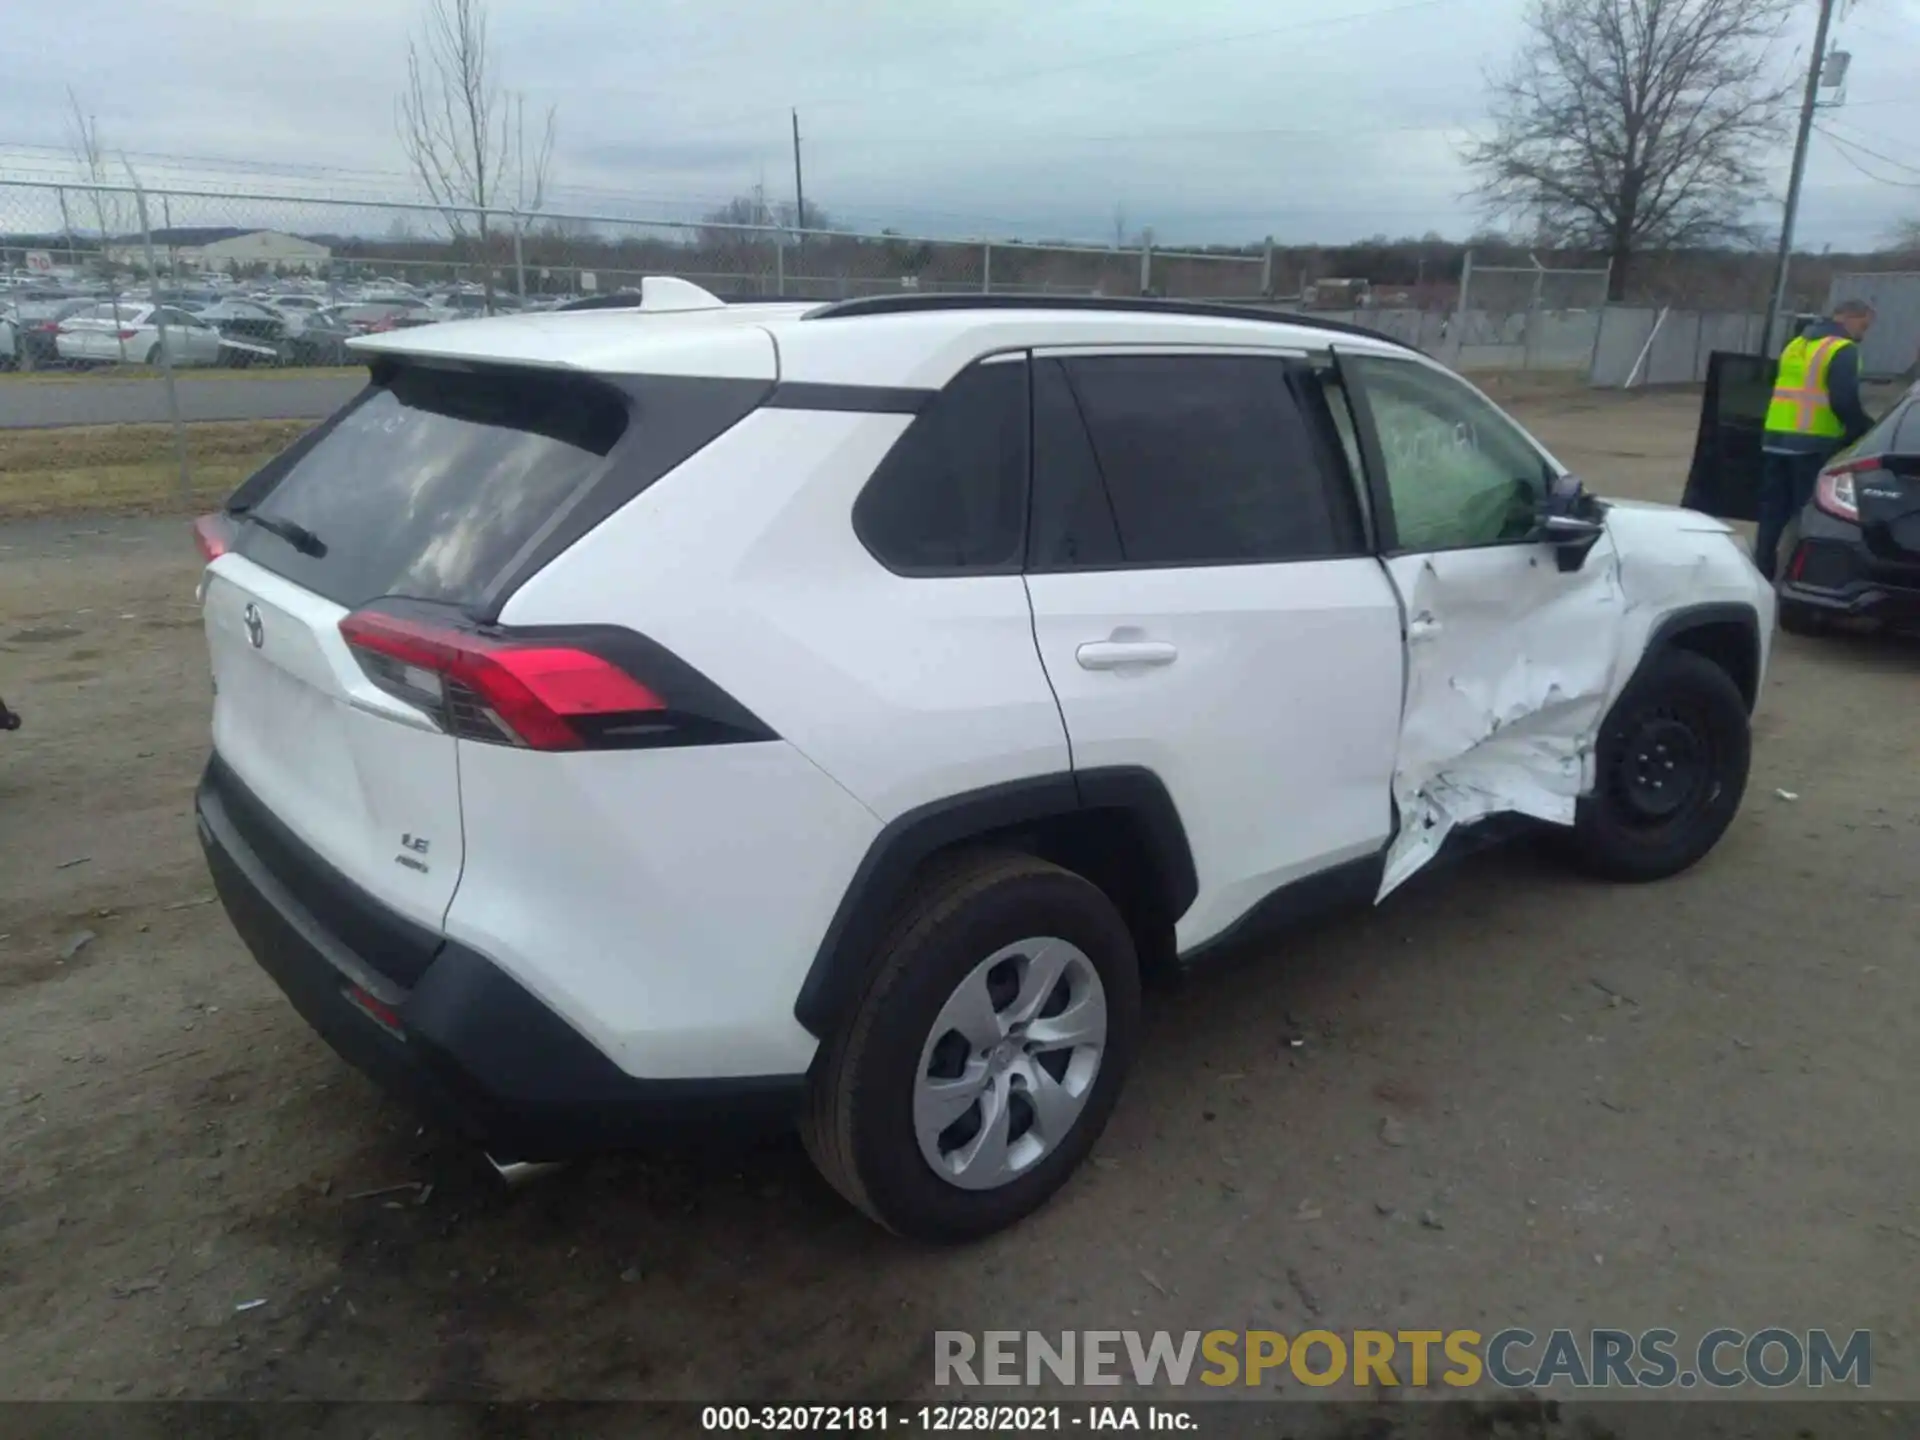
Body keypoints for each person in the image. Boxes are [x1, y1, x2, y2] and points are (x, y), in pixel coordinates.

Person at [1754, 300, 1877, 581]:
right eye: (1864, 325)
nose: (1864, 333)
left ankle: (1762, 572)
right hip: (1813, 443)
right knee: (1809, 515)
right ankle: (1800, 578)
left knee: (1772, 512)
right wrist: (1865, 430)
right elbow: (1843, 401)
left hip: (1775, 438)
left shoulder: (1796, 344)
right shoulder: (1842, 349)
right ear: (1849, 317)